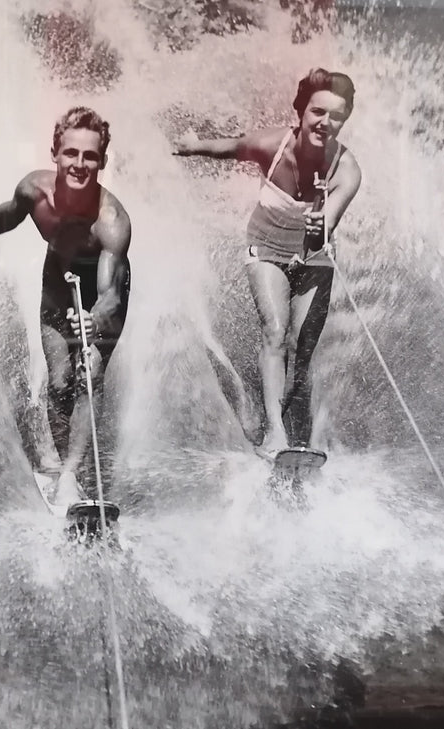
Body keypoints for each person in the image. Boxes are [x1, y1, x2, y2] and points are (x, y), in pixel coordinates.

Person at [0, 106, 131, 509]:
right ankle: (70, 470)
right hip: (57, 281)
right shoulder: (35, 190)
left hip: (103, 291)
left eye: (90, 156)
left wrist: (94, 318)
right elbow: (8, 215)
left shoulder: (111, 221)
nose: (79, 164)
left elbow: (112, 294)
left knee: (91, 372)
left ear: (102, 160)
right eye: (71, 153)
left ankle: (70, 475)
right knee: (60, 383)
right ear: (55, 153)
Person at [174, 68, 362, 457]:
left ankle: (288, 420)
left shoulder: (346, 168)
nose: (326, 123)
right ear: (302, 111)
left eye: (337, 116)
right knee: (275, 333)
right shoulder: (273, 145)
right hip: (266, 248)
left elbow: (333, 215)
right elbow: (231, 147)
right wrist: (193, 145)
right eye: (318, 112)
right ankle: (276, 434)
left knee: (300, 352)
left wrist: (321, 221)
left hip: (315, 255)